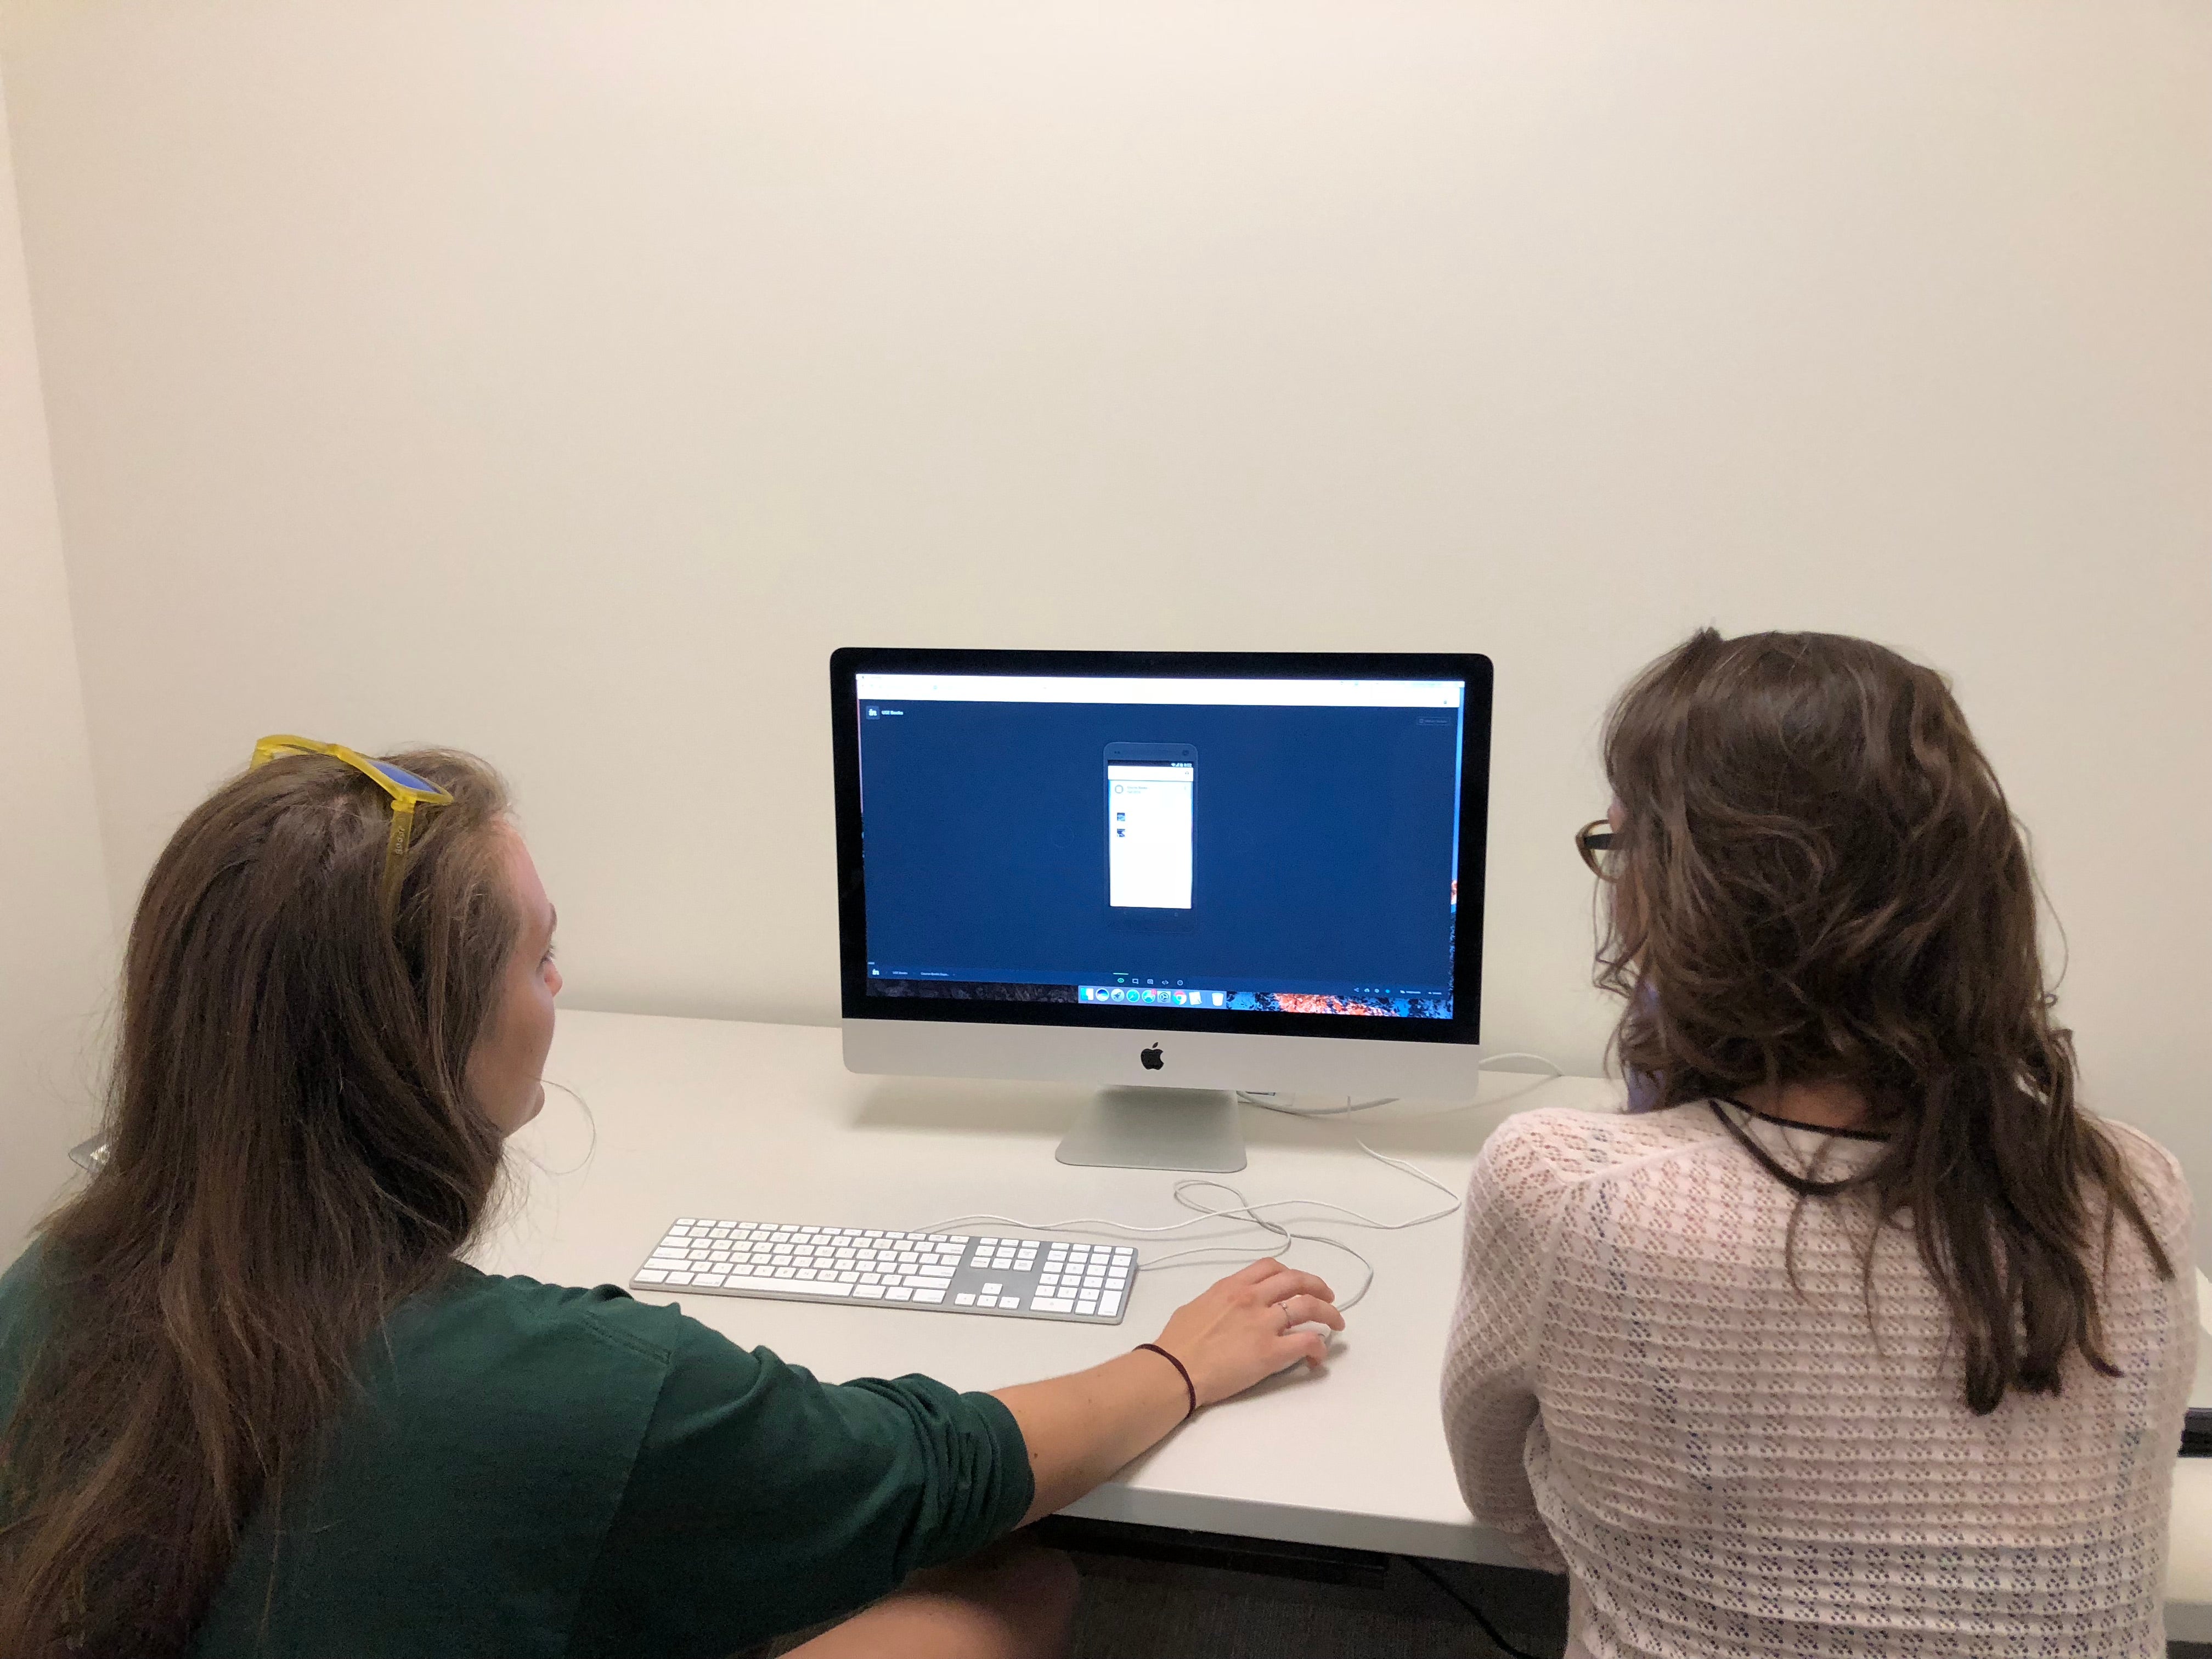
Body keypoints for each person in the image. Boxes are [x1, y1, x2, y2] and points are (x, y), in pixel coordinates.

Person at [0, 738, 1344, 1659]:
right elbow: (936, 1472)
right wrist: (1176, 1362)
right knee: (1010, 1588)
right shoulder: (576, 1387)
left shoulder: (40, 1293)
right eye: (542, 957)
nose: (562, 991)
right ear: (432, 1037)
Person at [1442, 630, 2194, 1658]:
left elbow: (1506, 1510)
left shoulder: (1568, 1194)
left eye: (1620, 847)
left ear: (1682, 897)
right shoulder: (2134, 1188)